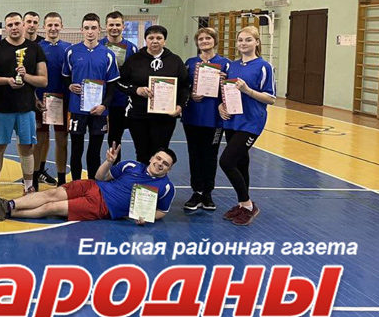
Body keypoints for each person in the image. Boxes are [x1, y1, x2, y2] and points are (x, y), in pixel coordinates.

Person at [0, 144, 176, 225]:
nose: (160, 164)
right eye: (158, 159)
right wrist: (109, 162)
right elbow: (100, 177)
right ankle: (8, 205)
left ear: (169, 169)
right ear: (152, 158)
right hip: (93, 186)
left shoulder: (166, 187)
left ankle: (6, 212)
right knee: (51, 194)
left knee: (52, 207)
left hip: (101, 206)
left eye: (165, 164)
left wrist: (145, 217)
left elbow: (162, 211)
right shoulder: (131, 165)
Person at [0, 12, 47, 197]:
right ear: (5, 28)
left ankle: (28, 187)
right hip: (2, 108)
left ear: (23, 25)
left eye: (17, 23)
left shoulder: (35, 49)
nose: (14, 27)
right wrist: (6, 80)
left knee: (27, 148)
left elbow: (43, 80)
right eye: (10, 25)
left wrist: (26, 76)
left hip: (26, 108)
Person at [218, 26, 276, 226]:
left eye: (248, 40)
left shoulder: (264, 67)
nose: (243, 43)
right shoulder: (232, 66)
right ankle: (242, 205)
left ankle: (248, 205)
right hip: (232, 120)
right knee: (241, 162)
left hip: (251, 122)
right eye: (240, 40)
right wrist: (221, 106)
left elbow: (271, 98)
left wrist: (248, 90)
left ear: (257, 42)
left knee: (227, 162)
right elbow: (226, 91)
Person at [118, 25, 188, 164]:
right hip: (139, 116)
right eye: (151, 38)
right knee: (142, 153)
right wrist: (137, 90)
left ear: (164, 41)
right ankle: (143, 178)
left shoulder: (175, 61)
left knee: (160, 154)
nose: (154, 41)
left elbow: (184, 86)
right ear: (146, 40)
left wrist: (180, 106)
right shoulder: (134, 60)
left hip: (165, 117)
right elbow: (120, 82)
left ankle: (158, 178)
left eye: (158, 38)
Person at [62, 13, 120, 182]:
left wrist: (104, 106)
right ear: (81, 30)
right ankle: (76, 184)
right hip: (76, 109)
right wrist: (69, 86)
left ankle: (93, 185)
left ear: (99, 30)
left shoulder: (108, 54)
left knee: (95, 151)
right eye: (86, 28)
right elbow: (65, 76)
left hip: (99, 110)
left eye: (93, 28)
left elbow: (112, 85)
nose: (90, 31)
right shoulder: (71, 51)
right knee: (76, 149)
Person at [181, 27, 230, 212]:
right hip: (192, 117)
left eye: (208, 38)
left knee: (210, 155)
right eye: (201, 39)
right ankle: (196, 191)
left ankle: (208, 193)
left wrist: (224, 82)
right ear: (197, 42)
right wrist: (191, 94)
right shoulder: (190, 63)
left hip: (214, 118)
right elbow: (183, 86)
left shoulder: (225, 64)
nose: (204, 41)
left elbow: (233, 89)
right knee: (194, 154)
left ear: (214, 41)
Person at [33, 12, 71, 189]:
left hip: (63, 103)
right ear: (44, 27)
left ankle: (62, 180)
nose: (53, 28)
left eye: (56, 25)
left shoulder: (69, 49)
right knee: (39, 140)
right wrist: (34, 98)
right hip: (41, 102)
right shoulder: (37, 48)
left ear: (61, 26)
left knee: (62, 141)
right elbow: (31, 76)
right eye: (50, 25)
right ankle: (34, 178)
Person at [100, 11, 139, 163]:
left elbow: (136, 75)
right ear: (106, 26)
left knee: (115, 136)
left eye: (117, 24)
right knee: (96, 136)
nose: (114, 28)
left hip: (120, 100)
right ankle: (99, 169)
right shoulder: (99, 45)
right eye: (111, 24)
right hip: (100, 99)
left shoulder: (132, 48)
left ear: (123, 26)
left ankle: (115, 168)